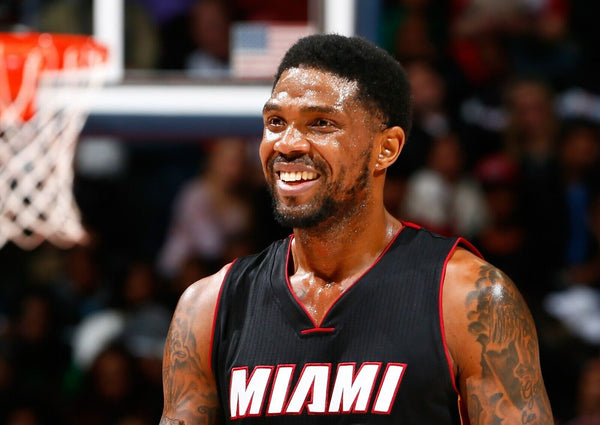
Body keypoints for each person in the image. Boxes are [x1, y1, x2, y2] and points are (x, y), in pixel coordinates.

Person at [160, 34, 553, 424]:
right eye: (276, 122)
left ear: (387, 148)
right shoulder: (209, 308)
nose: (288, 144)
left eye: (321, 124)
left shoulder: (469, 298)